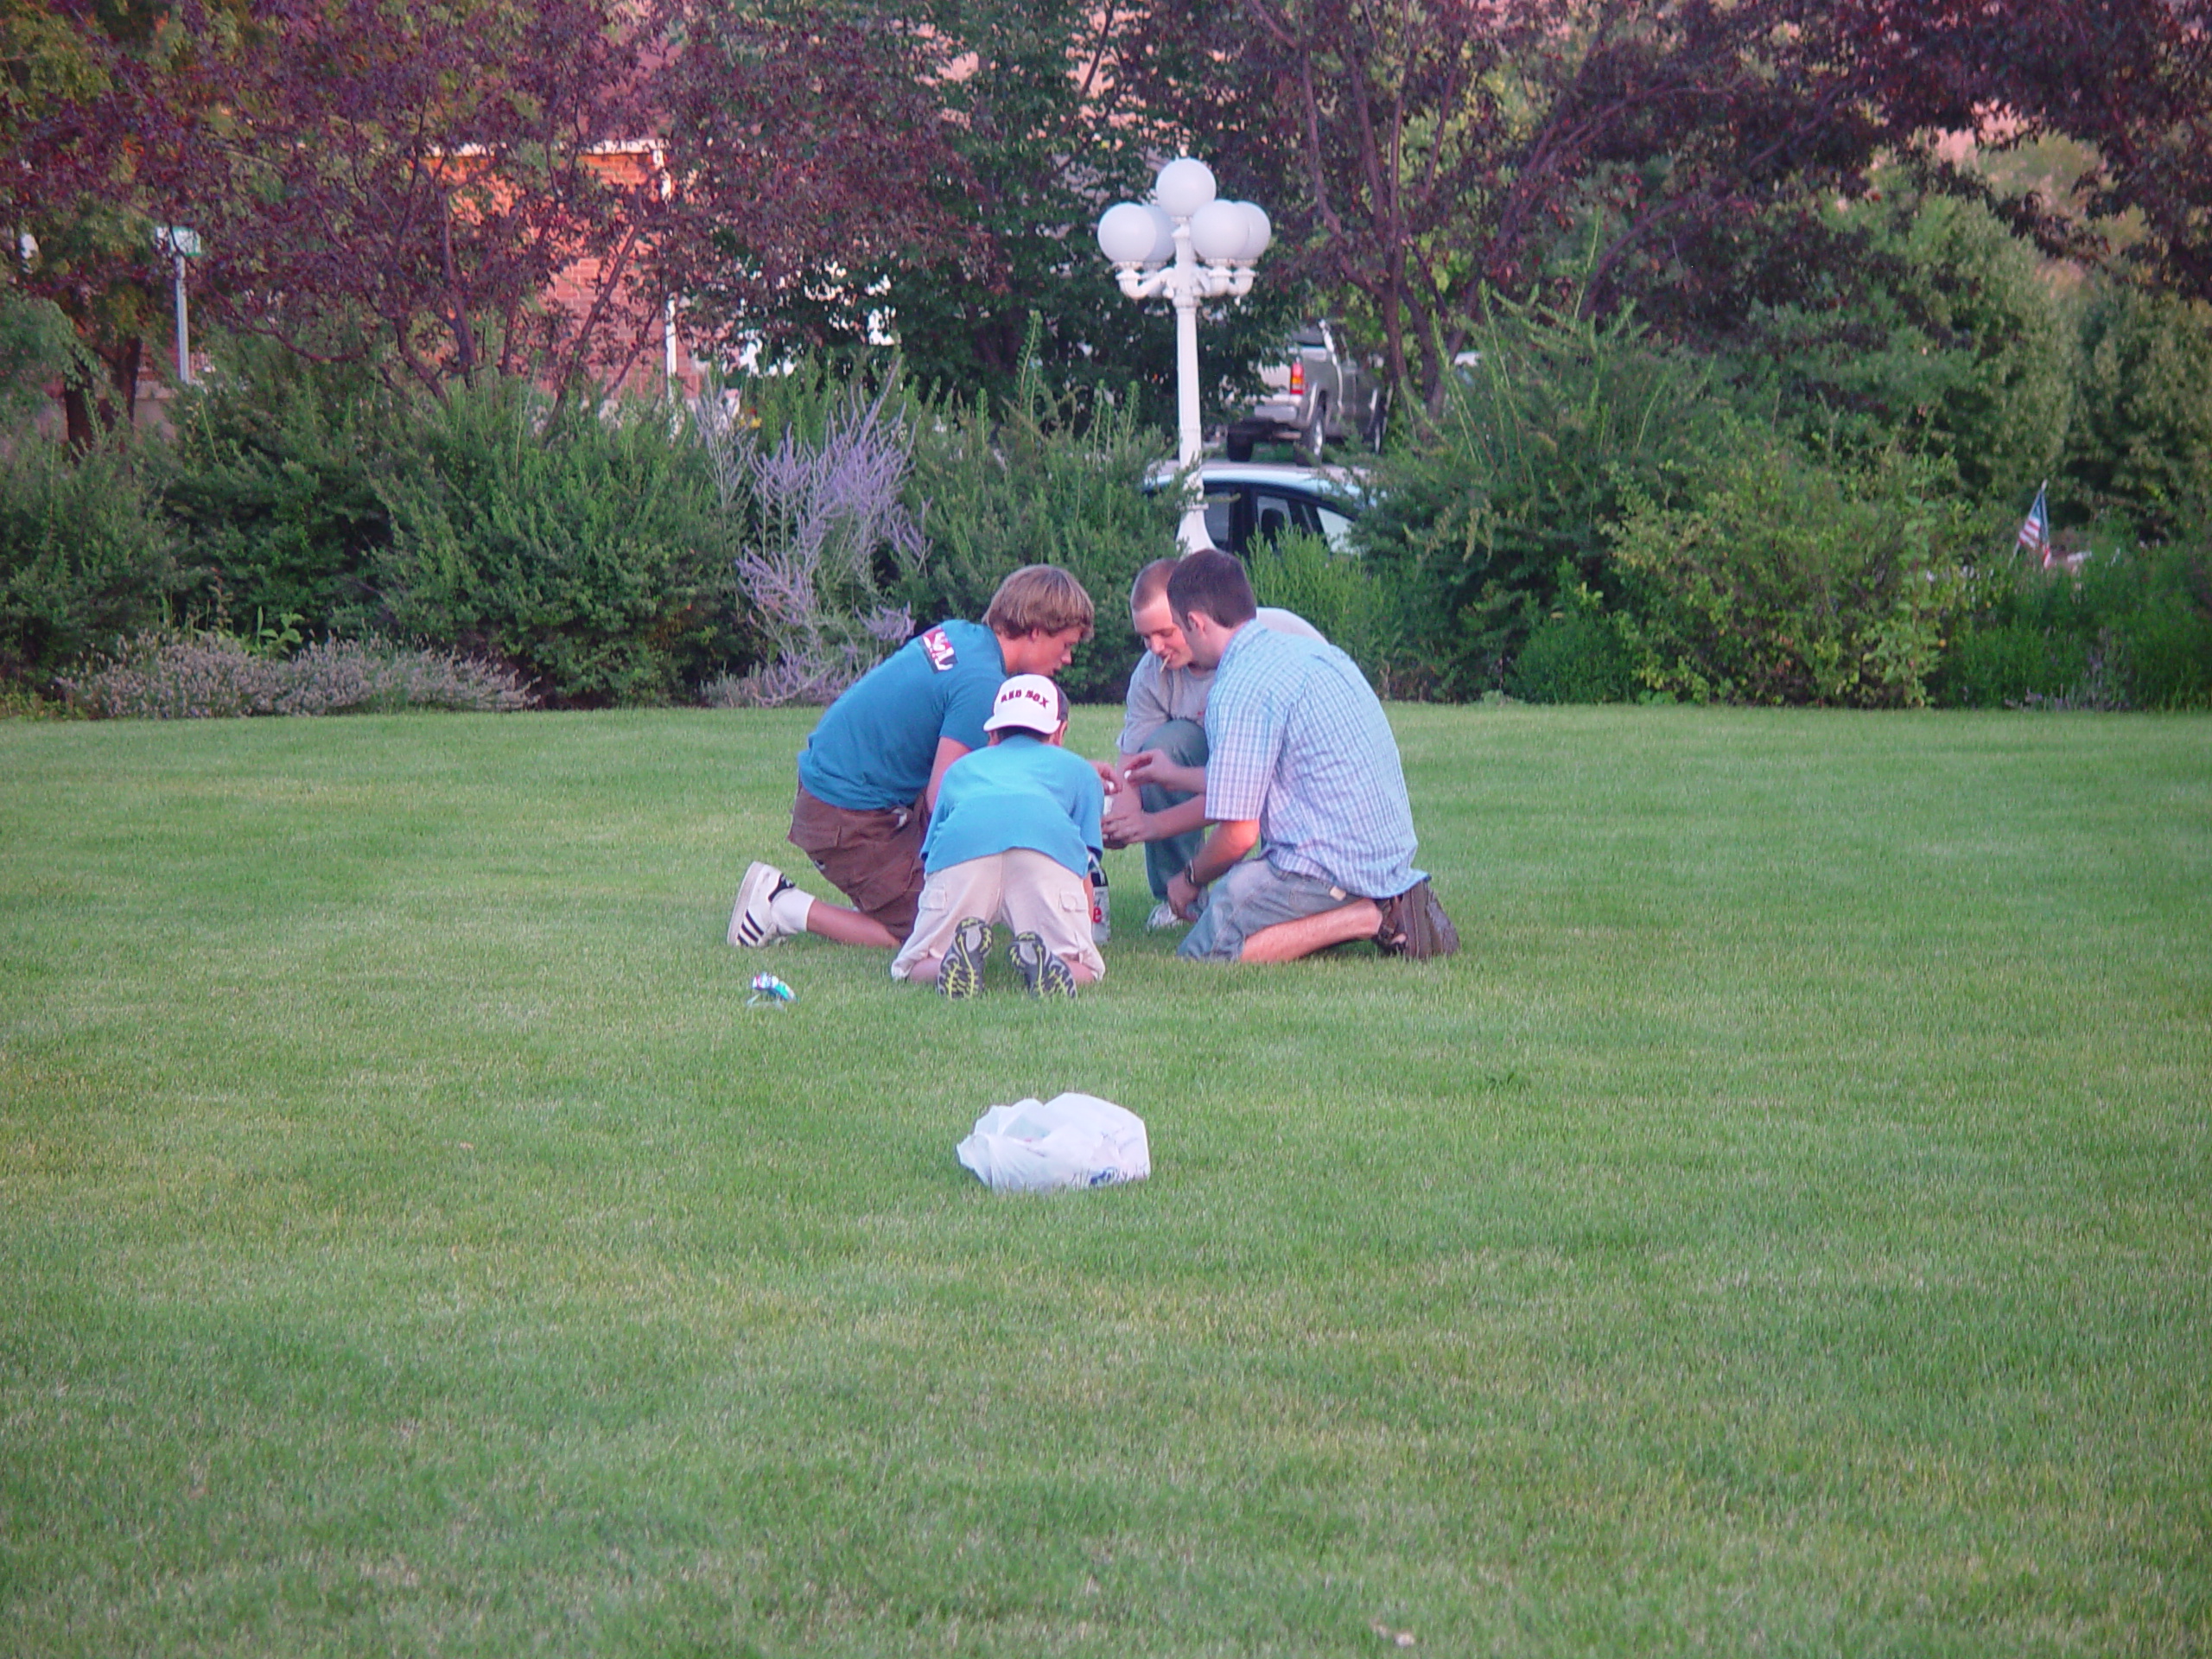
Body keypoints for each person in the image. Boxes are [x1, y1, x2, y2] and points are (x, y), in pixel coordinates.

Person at [728, 564, 1095, 952]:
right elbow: (946, 801)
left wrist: (1064, 772)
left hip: (841, 787)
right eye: (1067, 645)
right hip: (844, 813)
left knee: (959, 890)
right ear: (1036, 631)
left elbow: (982, 766)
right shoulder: (983, 685)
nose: (1068, 659)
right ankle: (780, 906)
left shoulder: (962, 638)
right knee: (933, 925)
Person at [1160, 548, 1458, 963]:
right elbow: (1249, 783)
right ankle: (1378, 901)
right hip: (1384, 855)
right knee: (1240, 898)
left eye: (1180, 629)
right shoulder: (1311, 653)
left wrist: (1190, 880)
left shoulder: (1240, 685)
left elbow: (1238, 835)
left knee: (1205, 953)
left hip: (1326, 866)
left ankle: (1367, 918)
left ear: (1196, 622)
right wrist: (1174, 776)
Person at [1102, 556, 1323, 929]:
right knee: (1164, 747)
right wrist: (1120, 822)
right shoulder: (1151, 675)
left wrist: (1154, 824)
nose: (1155, 647)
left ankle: (1282, 881)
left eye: (1165, 632)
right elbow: (1131, 769)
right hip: (1220, 762)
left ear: (1194, 618)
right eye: (1145, 637)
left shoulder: (1261, 646)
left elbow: (1242, 793)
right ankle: (1179, 902)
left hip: (1288, 755)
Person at [888, 674, 1106, 998]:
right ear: (1060, 731)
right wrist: (1083, 937)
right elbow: (1083, 865)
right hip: (1045, 849)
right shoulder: (1080, 772)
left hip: (964, 849)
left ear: (992, 733)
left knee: (915, 963)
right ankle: (1055, 963)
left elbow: (932, 856)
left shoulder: (961, 769)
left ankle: (948, 960)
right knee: (1084, 966)